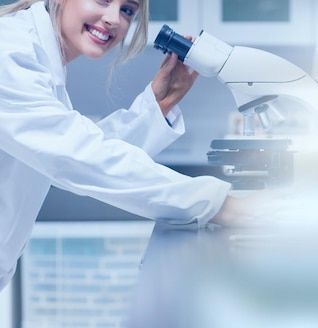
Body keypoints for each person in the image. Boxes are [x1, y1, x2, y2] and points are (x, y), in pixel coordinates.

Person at [0, 0, 269, 292]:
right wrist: (219, 204)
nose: (114, 19)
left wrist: (159, 102)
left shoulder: (35, 54)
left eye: (127, 10)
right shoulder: (10, 51)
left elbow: (74, 152)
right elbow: (76, 157)